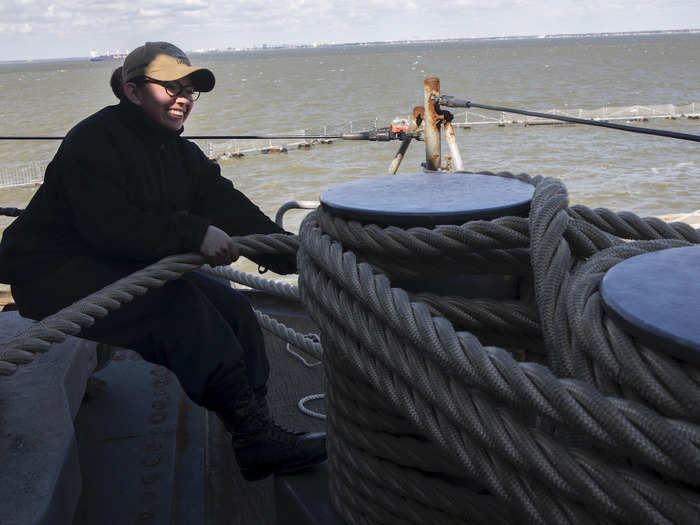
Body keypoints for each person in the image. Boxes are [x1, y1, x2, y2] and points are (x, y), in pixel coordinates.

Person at [0, 42, 326, 481]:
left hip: (113, 265)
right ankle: (257, 438)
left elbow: (233, 210)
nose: (184, 97)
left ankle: (255, 432)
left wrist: (306, 260)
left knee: (234, 309)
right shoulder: (94, 140)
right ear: (133, 92)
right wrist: (193, 233)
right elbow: (110, 227)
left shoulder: (178, 154)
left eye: (190, 88)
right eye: (171, 86)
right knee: (180, 310)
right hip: (52, 272)